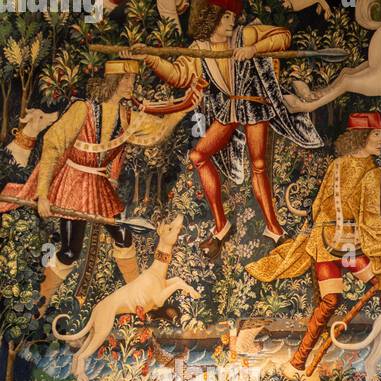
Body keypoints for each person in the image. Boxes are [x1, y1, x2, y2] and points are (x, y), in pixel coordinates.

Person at [247, 111, 381, 381]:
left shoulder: (338, 165)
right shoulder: (373, 173)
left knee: (330, 300)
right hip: (348, 246)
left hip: (326, 240)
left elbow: (321, 207)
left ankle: (298, 362)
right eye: (377, 134)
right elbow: (376, 220)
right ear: (362, 137)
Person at [143, 0, 321, 259]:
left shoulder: (243, 35)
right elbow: (180, 75)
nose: (232, 21)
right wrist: (149, 58)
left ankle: (274, 229)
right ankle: (221, 226)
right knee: (199, 155)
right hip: (231, 108)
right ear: (210, 16)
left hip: (254, 105)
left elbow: (284, 36)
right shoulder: (200, 48)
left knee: (258, 164)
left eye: (233, 16)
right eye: (226, 16)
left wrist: (253, 49)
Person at [1, 59, 145, 313]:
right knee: (70, 252)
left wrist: (112, 177)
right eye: (126, 79)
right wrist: (43, 194)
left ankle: (141, 302)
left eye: (132, 79)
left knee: (124, 236)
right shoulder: (83, 109)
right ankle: (41, 303)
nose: (130, 85)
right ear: (113, 82)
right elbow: (53, 146)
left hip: (99, 185)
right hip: (74, 184)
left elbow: (119, 148)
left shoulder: (125, 113)